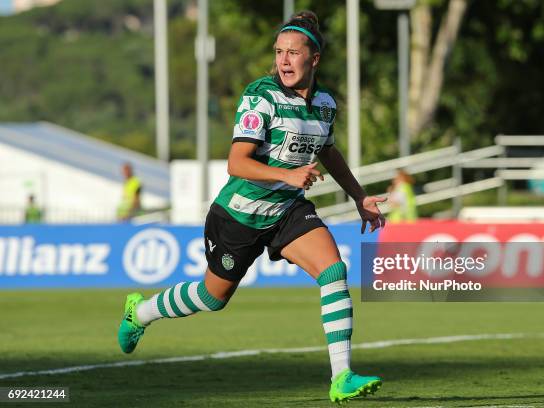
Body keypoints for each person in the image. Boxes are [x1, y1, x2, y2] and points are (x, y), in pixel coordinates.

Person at [117, 11, 386, 403]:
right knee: (212, 298)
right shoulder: (261, 96)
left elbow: (328, 151)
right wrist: (287, 175)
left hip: (287, 211)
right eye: (279, 52)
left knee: (334, 271)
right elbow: (236, 162)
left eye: (293, 53)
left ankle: (341, 376)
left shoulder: (325, 104)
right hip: (238, 214)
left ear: (314, 60)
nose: (284, 60)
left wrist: (359, 196)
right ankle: (140, 312)